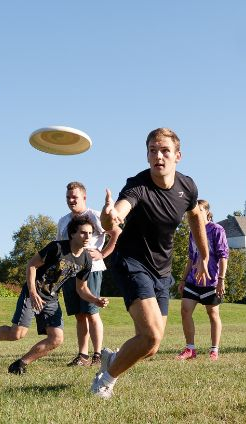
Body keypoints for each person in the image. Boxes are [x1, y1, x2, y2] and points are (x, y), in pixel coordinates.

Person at [90, 128, 210, 400]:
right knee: (151, 336)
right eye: (153, 151)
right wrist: (109, 218)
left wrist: (203, 255)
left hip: (162, 270)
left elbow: (195, 218)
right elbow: (118, 213)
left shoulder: (187, 186)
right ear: (147, 156)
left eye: (165, 150)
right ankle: (104, 381)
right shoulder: (138, 186)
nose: (159, 156)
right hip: (132, 263)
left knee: (151, 345)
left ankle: (113, 359)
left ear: (177, 156)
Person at [0, 216, 110, 375]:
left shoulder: (86, 260)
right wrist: (33, 292)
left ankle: (20, 364)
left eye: (90, 233)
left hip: (51, 299)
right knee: (17, 334)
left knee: (56, 338)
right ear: (72, 234)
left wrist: (96, 300)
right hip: (32, 293)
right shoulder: (56, 248)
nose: (88, 237)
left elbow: (81, 288)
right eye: (83, 233)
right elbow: (31, 265)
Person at [57, 181, 108, 367]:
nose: (71, 200)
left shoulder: (94, 216)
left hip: (91, 270)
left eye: (75, 197)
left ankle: (98, 354)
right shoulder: (63, 221)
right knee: (79, 315)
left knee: (92, 312)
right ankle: (83, 355)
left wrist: (103, 253)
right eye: (68, 197)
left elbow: (116, 232)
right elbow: (60, 247)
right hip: (70, 272)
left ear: (84, 197)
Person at [175, 200, 229, 361]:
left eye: (199, 210)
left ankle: (214, 350)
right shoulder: (193, 231)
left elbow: (223, 256)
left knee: (212, 313)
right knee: (185, 310)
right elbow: (191, 257)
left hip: (211, 280)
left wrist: (221, 279)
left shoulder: (217, 229)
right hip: (193, 280)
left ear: (206, 211)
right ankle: (190, 349)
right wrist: (183, 279)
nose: (195, 214)